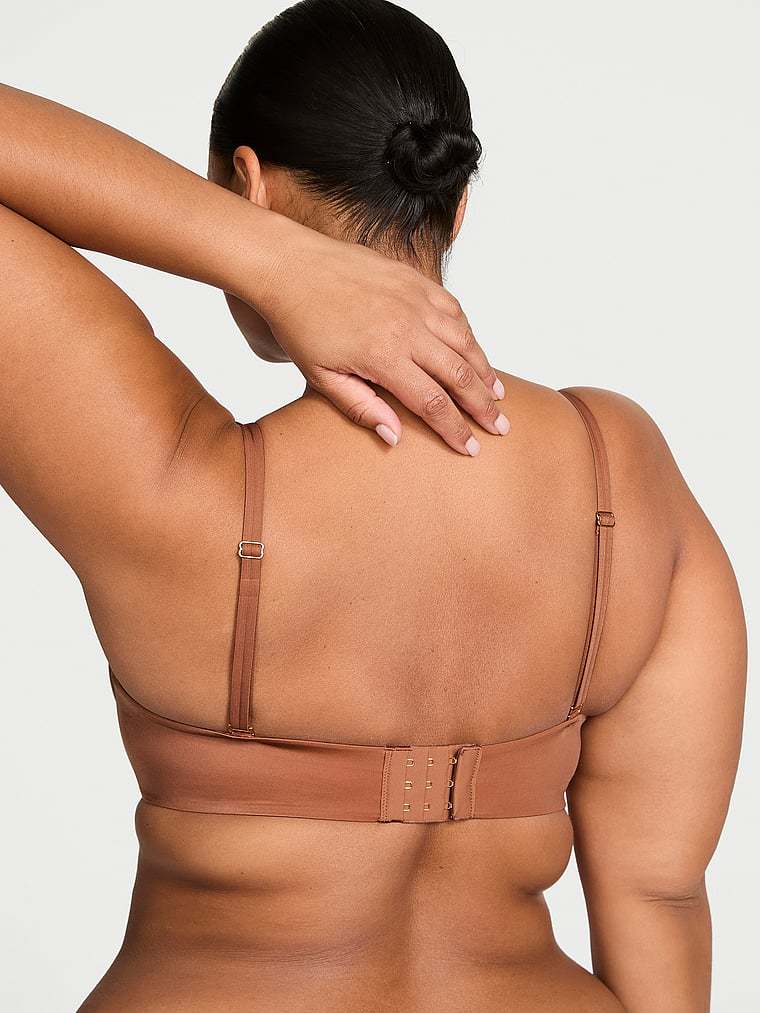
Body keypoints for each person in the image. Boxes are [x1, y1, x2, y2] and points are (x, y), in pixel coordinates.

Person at [0, 1, 745, 1010]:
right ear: (457, 205)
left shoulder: (169, 480)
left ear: (245, 186)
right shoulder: (625, 474)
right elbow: (658, 894)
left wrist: (266, 256)